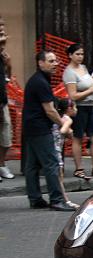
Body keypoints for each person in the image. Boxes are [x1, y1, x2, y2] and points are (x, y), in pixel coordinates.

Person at [22, 50, 75, 211]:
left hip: (30, 127)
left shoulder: (38, 80)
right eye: (51, 61)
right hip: (39, 128)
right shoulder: (40, 82)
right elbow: (50, 110)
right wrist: (62, 125)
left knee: (32, 165)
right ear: (40, 63)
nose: (55, 64)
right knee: (51, 163)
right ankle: (57, 200)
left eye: (55, 61)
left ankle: (35, 198)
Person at [63, 43, 93, 180]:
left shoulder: (83, 68)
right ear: (70, 55)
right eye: (77, 54)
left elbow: (89, 84)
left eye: (82, 54)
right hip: (80, 108)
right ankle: (79, 169)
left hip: (91, 106)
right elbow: (73, 95)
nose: (80, 57)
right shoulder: (69, 72)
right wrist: (90, 90)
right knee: (78, 138)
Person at [51, 98, 79, 209]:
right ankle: (65, 200)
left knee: (58, 175)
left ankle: (62, 198)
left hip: (53, 146)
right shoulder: (67, 119)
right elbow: (63, 131)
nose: (76, 110)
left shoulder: (57, 116)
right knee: (60, 176)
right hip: (56, 148)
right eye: (75, 107)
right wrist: (68, 129)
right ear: (69, 109)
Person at [0, 16, 14, 182]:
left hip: (2, 99)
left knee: (6, 134)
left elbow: (7, 78)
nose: (2, 30)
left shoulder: (4, 56)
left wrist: (8, 64)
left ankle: (2, 164)